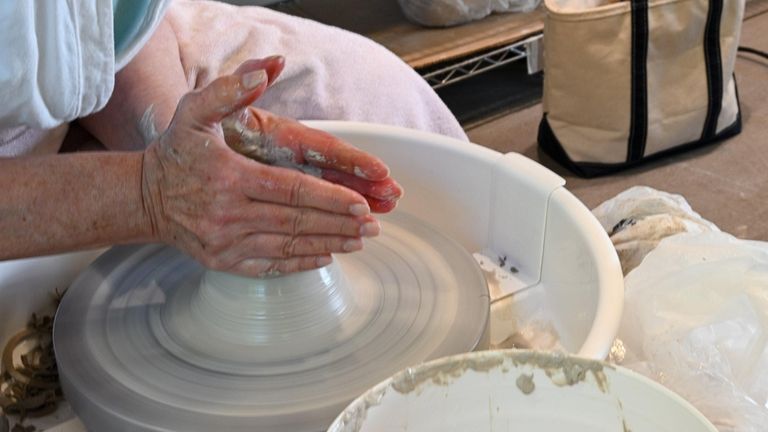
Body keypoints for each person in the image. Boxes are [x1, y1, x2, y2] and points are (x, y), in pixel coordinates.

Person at [0, 1, 466, 276]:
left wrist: (175, 138)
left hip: (93, 80)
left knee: (380, 99)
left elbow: (103, 32)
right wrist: (150, 196)